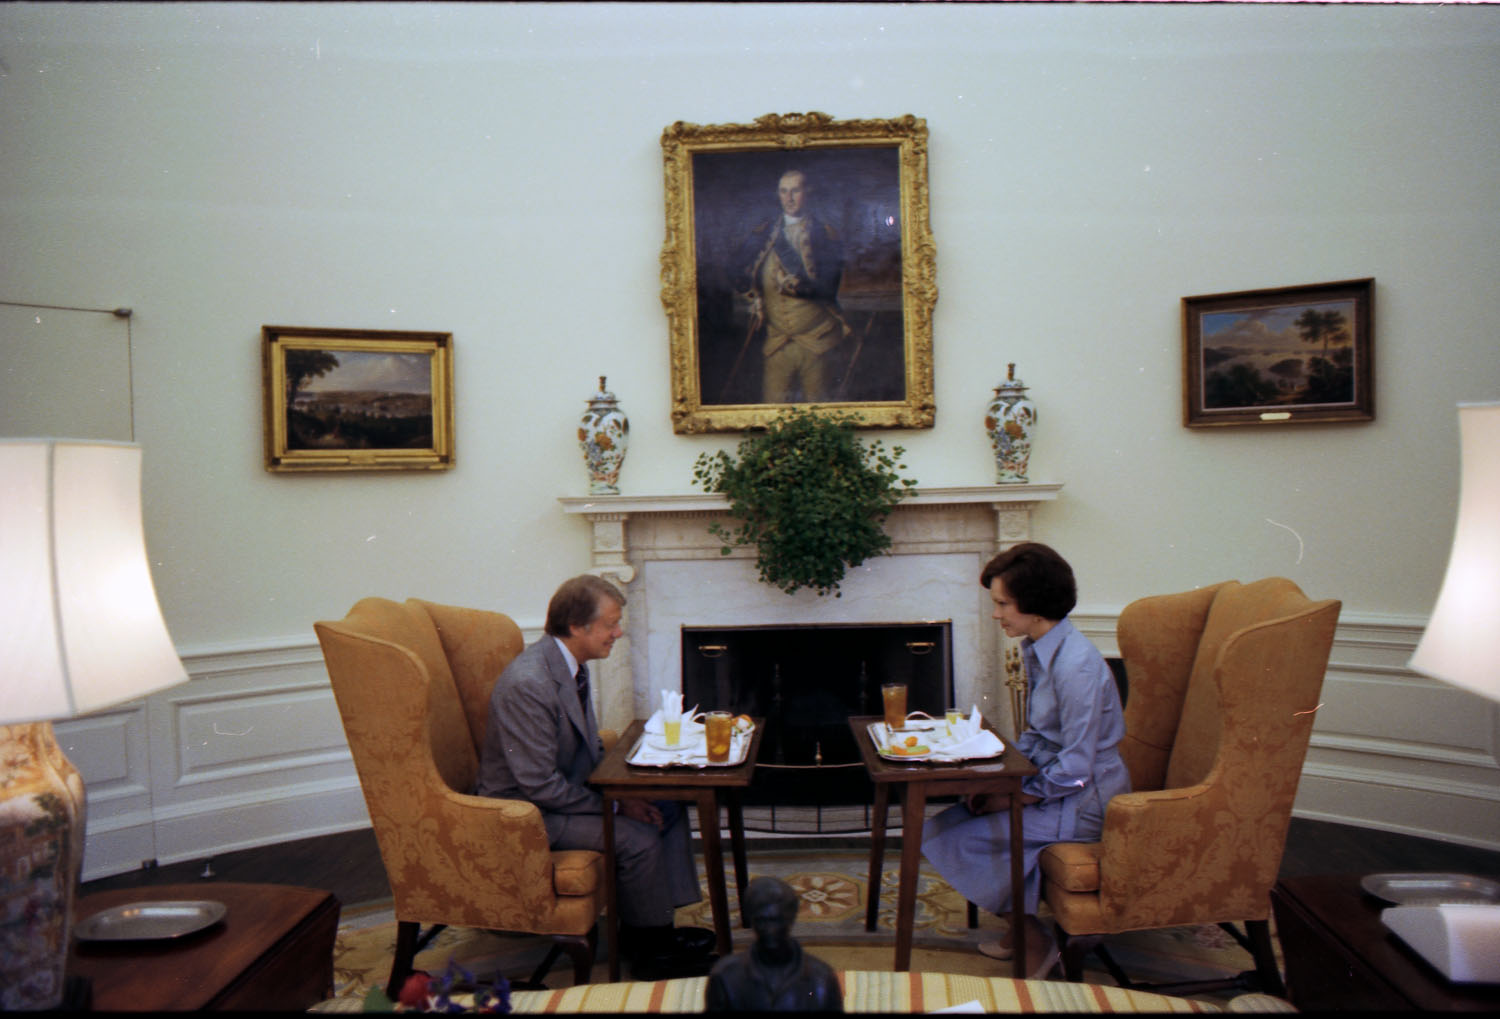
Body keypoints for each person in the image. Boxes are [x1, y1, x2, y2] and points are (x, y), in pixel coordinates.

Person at [474, 574, 715, 979]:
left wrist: (632, 792)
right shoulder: (530, 683)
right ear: (576, 627)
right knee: (637, 838)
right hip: (527, 814)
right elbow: (538, 785)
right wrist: (618, 804)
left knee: (666, 807)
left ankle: (653, 931)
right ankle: (653, 955)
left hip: (559, 796)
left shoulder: (571, 665)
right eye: (610, 624)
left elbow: (586, 749)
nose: (617, 633)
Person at [921, 543, 1130, 977]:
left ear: (1034, 605)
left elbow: (1075, 768)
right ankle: (1019, 927)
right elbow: (1037, 735)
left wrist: (1016, 798)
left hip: (1086, 801)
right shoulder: (1040, 649)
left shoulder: (1077, 666)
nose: (996, 615)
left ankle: (1034, 940)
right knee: (944, 825)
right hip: (1060, 788)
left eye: (1002, 604)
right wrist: (1001, 785)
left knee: (961, 840)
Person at [730, 168, 850, 404]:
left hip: (817, 340)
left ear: (808, 192)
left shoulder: (825, 235)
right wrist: (753, 297)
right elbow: (733, 268)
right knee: (772, 411)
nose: (789, 198)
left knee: (819, 413)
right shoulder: (764, 233)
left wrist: (798, 287)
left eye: (795, 190)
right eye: (784, 191)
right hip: (776, 342)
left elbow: (828, 288)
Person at [705, 877, 843, 1012]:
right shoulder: (725, 977)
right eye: (761, 920)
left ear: (792, 918)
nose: (770, 930)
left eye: (776, 920)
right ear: (751, 920)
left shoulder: (822, 978)